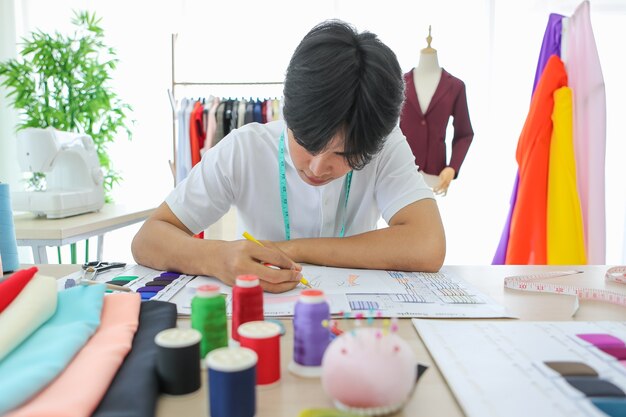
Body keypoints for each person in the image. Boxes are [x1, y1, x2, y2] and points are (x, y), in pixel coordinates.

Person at [132, 20, 445, 293]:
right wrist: (217, 257)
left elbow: (427, 246)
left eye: (345, 154)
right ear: (288, 110)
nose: (318, 167)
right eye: (307, 141)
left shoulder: (385, 143)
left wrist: (290, 249)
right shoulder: (244, 149)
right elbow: (148, 239)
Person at [399, 27, 474, 196]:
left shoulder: (455, 86)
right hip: (402, 172)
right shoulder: (400, 83)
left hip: (436, 176)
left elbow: (465, 133)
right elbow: (388, 129)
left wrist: (452, 167)